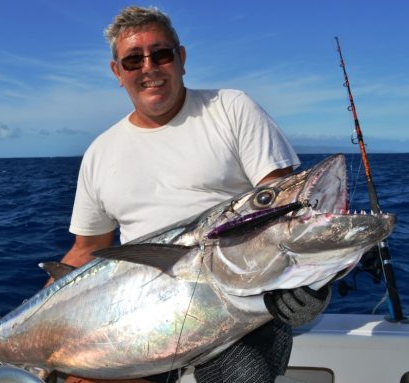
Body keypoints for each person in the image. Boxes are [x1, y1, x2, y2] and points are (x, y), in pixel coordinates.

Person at [59, 6, 331, 383]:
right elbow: (84, 251)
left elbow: (288, 212)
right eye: (133, 60)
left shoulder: (232, 108)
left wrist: (313, 283)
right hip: (136, 312)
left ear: (182, 58)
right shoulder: (99, 153)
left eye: (161, 54)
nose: (149, 67)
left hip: (239, 304)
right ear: (117, 73)